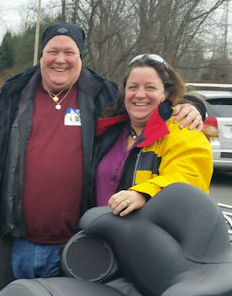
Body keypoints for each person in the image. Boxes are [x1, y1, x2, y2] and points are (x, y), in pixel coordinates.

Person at [0, 22, 202, 291]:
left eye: (69, 52)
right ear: (41, 55)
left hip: (79, 243)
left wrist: (191, 107)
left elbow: (145, 103)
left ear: (80, 56)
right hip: (17, 240)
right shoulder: (12, 95)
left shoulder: (103, 95)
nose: (60, 59)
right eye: (53, 51)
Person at [87, 54, 214, 218]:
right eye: (133, 87)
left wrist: (143, 194)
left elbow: (187, 180)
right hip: (100, 235)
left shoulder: (184, 130)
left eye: (150, 88)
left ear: (165, 94)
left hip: (154, 239)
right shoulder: (109, 131)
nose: (140, 95)